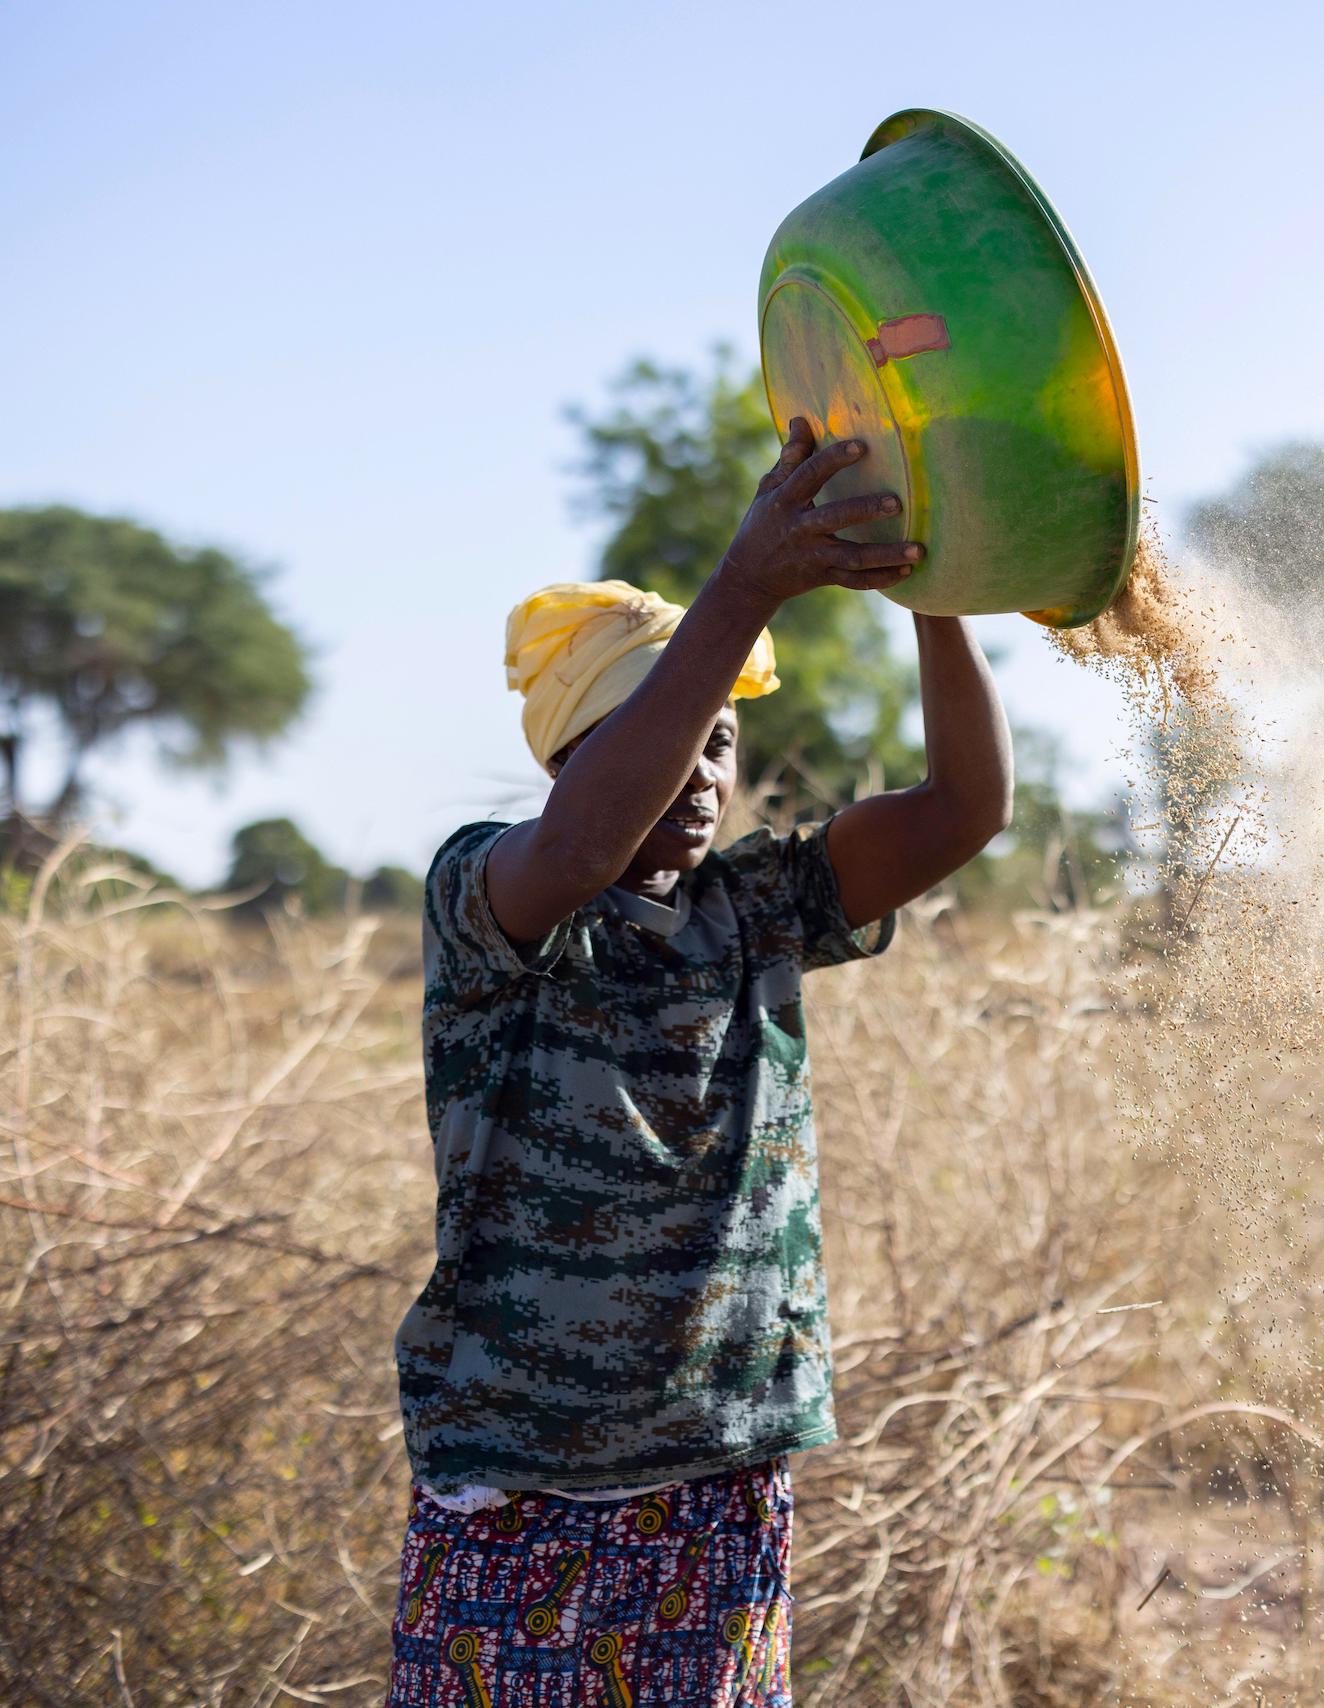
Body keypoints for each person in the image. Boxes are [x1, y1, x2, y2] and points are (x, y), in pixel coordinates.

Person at [387, 419, 1012, 1706]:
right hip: (520, 1488)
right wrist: (743, 587)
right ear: (570, 758)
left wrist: (932, 599)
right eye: (665, 736)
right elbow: (575, 851)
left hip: (715, 1481)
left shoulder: (761, 904)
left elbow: (965, 810)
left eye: (722, 740)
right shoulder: (494, 900)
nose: (702, 769)